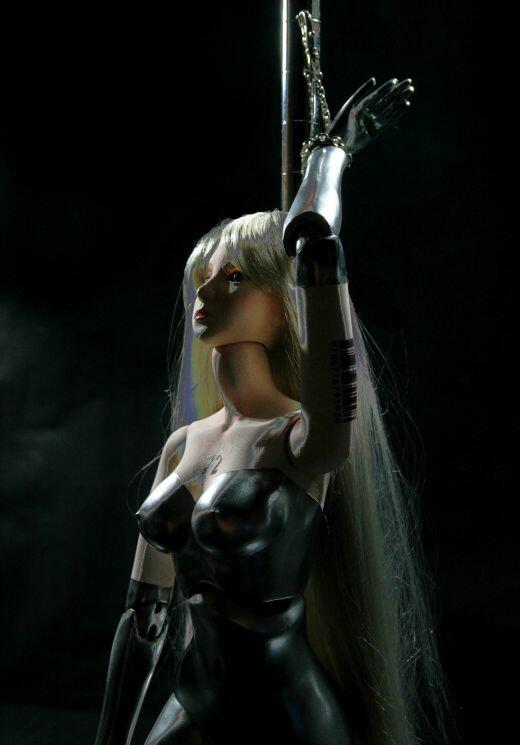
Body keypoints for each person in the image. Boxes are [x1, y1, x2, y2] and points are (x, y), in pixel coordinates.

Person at [94, 77, 451, 745]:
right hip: (188, 704)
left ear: (282, 300)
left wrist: (328, 159)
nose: (207, 292)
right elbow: (145, 618)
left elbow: (314, 245)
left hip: (286, 717)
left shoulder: (302, 440)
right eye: (203, 276)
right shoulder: (184, 444)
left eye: (235, 276)